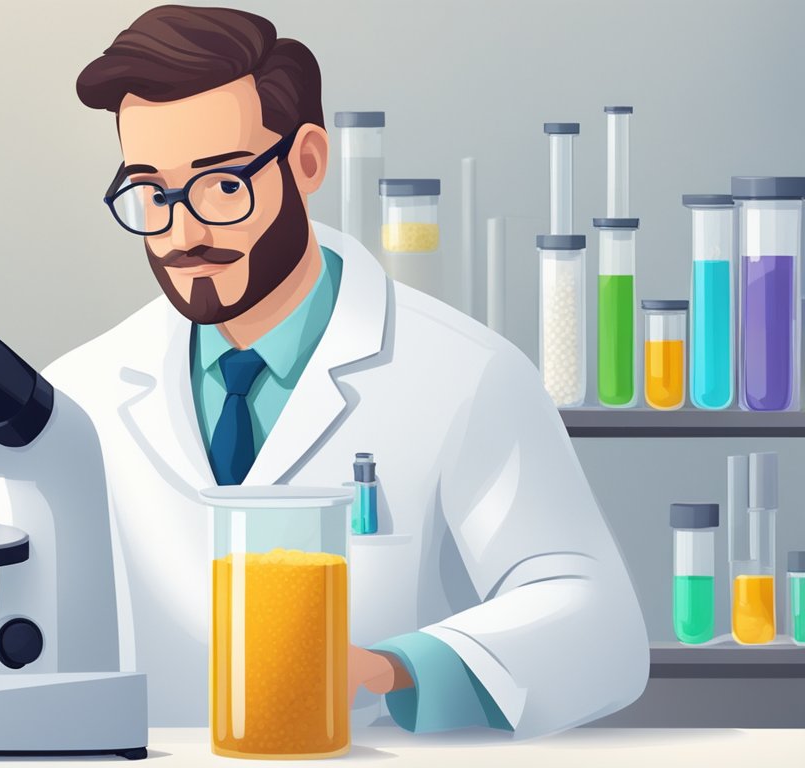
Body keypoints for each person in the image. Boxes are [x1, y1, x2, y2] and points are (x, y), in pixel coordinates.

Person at [36, 4, 650, 735]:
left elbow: (598, 623)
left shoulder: (463, 373)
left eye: (223, 186)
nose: (183, 232)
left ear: (307, 162)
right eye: (150, 193)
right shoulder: (80, 392)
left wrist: (393, 668)